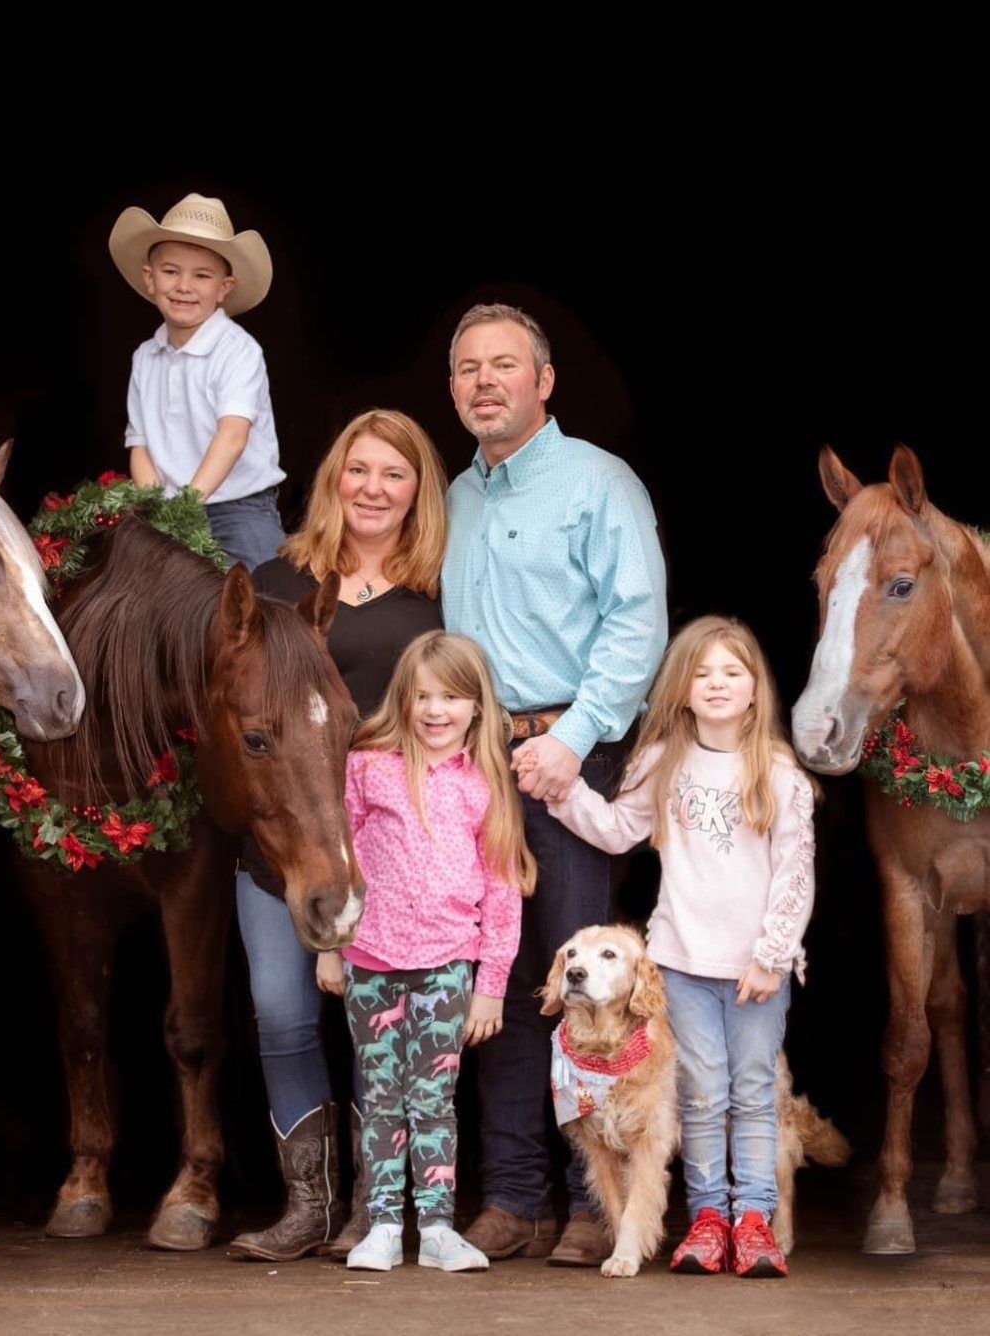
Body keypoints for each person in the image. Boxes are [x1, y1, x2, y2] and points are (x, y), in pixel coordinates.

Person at [441, 303, 668, 1265]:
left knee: (586, 990)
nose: (484, 381)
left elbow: (637, 623)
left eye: (504, 365)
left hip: (573, 762)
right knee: (495, 979)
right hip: (476, 767)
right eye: (466, 369)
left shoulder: (598, 483)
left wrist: (573, 742)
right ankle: (515, 1197)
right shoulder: (453, 495)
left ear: (545, 380)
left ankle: (591, 1205)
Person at [227, 410, 446, 1264]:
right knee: (282, 1016)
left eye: (394, 474)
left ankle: (374, 1205)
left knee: (375, 1021)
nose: (373, 489)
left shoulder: (438, 592)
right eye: (358, 470)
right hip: (280, 839)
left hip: (385, 844)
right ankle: (306, 1206)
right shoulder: (276, 581)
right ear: (332, 479)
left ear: (417, 490)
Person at [546, 616, 816, 1278]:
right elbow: (616, 830)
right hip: (679, 963)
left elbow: (795, 870)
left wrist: (772, 955)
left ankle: (753, 1219)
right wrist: (561, 790)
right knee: (699, 1093)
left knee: (751, 1090)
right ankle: (706, 1220)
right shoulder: (662, 759)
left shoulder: (779, 771)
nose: (717, 684)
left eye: (733, 672)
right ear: (682, 687)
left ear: (757, 689)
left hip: (756, 966)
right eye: (702, 673)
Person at [317, 631, 537, 1271]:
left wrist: (491, 983)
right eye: (422, 696)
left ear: (477, 706)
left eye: (452, 697)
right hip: (371, 961)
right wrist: (330, 948)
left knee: (434, 1100)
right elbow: (341, 861)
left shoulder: (485, 785)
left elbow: (502, 891)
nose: (436, 710)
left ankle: (437, 1228)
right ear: (402, 701)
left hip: (447, 965)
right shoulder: (368, 766)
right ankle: (384, 1225)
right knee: (382, 1097)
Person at [108, 192, 284, 570]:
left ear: (224, 288)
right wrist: (157, 509)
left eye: (202, 275)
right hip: (170, 510)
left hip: (238, 508)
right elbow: (141, 447)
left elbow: (233, 437)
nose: (184, 286)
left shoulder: (238, 350)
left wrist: (188, 505)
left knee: (264, 603)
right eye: (171, 271)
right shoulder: (145, 357)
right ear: (150, 278)